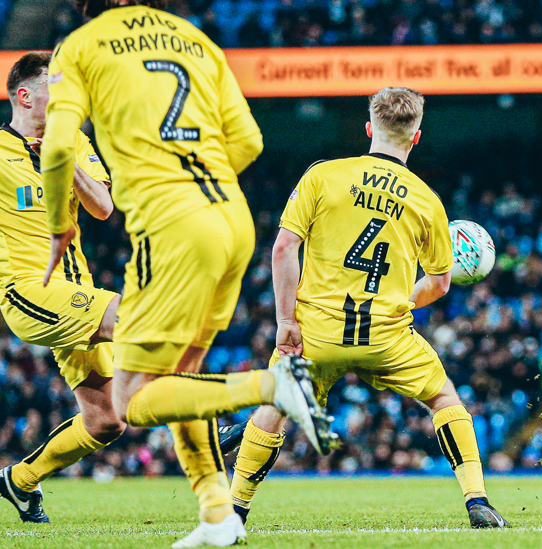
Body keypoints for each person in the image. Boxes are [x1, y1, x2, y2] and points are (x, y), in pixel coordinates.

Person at [41, 2, 331, 546]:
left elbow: (57, 146)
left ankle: (274, 385)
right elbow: (248, 142)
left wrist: (61, 226)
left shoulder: (82, 44)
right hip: (231, 218)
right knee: (181, 378)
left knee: (129, 401)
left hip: (172, 231)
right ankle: (218, 513)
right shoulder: (195, 39)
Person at [225, 87, 508, 529]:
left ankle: (235, 509)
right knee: (444, 398)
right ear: (416, 138)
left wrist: (285, 323)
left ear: (369, 128)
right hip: (386, 337)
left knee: (274, 406)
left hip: (317, 332)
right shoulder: (427, 200)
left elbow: (283, 250)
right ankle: (477, 501)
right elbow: (440, 282)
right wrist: (399, 304)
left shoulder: (324, 175)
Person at [0, 52, 123, 523]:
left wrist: (62, 157)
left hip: (77, 292)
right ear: (26, 96)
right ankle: (212, 431)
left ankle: (19, 482)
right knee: (135, 319)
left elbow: (103, 207)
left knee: (105, 421)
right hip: (28, 291)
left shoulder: (72, 137)